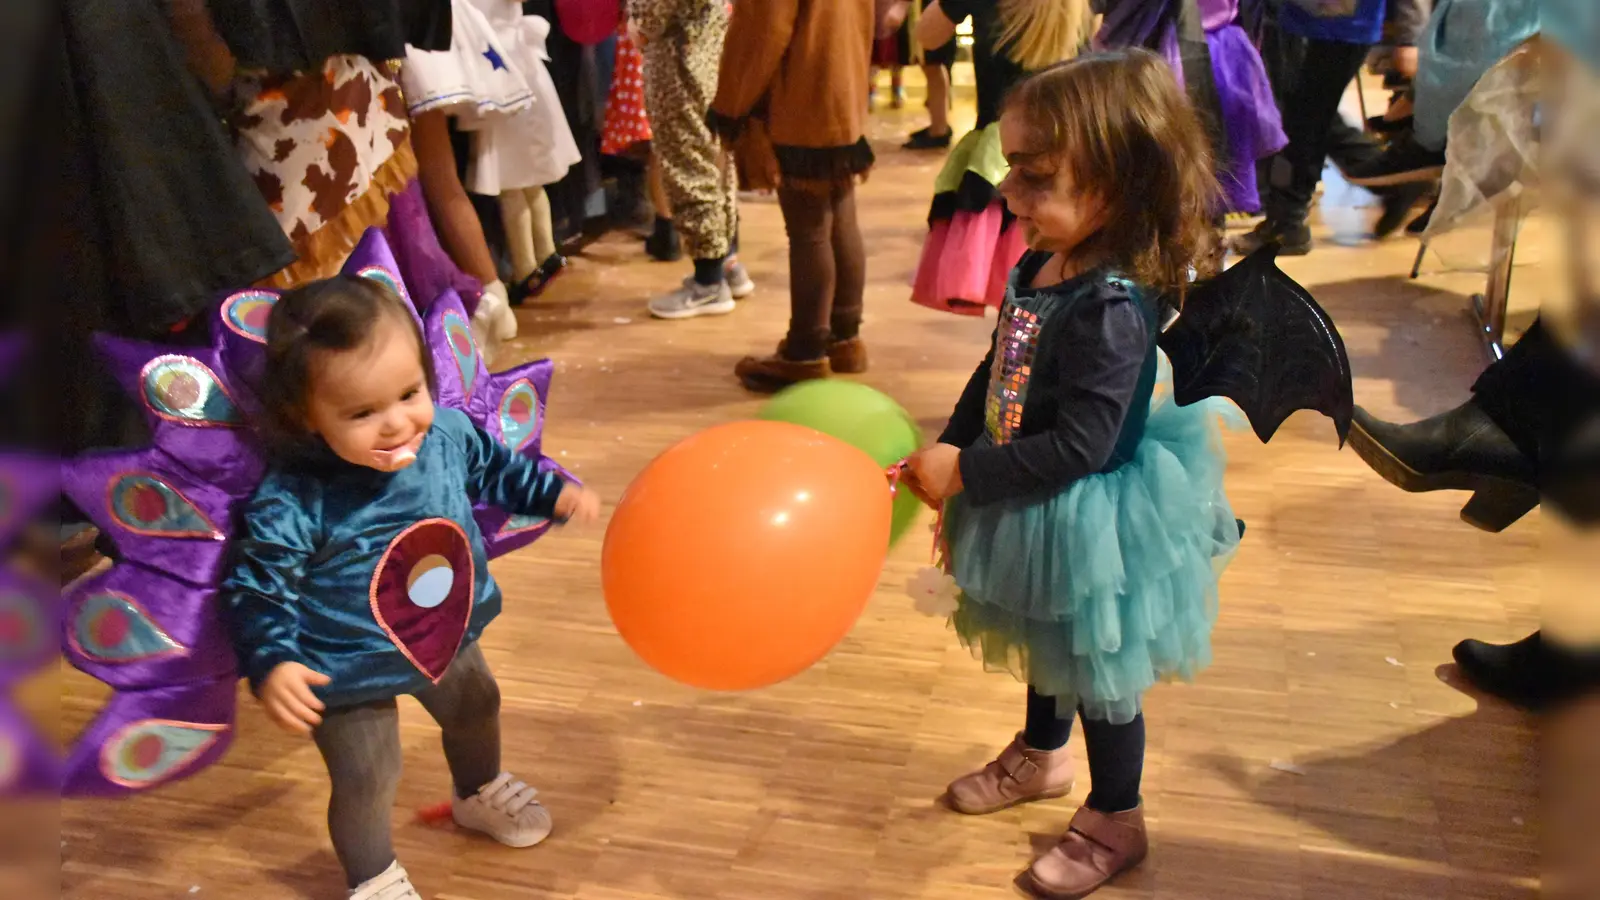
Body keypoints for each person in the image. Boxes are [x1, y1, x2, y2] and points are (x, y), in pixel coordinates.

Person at [903, 50, 1241, 898]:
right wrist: (952, 442)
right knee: (1040, 633)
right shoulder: (1039, 263)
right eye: (1010, 165)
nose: (1007, 189)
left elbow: (1083, 445)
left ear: (1117, 186)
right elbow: (995, 369)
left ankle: (1117, 815)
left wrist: (969, 470)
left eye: (1035, 175)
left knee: (1099, 673)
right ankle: (1043, 756)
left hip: (1088, 513)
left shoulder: (1112, 305)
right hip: (1025, 487)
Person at [222, 275, 602, 900]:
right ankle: (372, 878)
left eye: (409, 392)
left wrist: (548, 494)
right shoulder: (293, 499)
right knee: (368, 773)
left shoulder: (446, 434)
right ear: (306, 418)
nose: (397, 423)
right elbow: (259, 586)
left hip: (441, 634)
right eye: (362, 413)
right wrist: (273, 660)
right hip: (343, 668)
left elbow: (495, 469)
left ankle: (477, 791)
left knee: (477, 705)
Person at [710, 0, 876, 390]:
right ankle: (845, 339)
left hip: (801, 93)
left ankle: (805, 352)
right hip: (842, 86)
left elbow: (763, 31)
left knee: (809, 231)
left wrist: (730, 107)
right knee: (841, 214)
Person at [909, 0, 1093, 317]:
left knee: (1020, 301)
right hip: (1068, 150)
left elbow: (927, 34)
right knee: (1052, 296)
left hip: (1004, 158)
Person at [634, 0, 755, 320]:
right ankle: (726, 264)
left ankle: (708, 282)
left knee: (687, 163)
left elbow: (654, 11)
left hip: (681, 62)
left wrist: (639, 21)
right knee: (714, 159)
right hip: (709, 51)